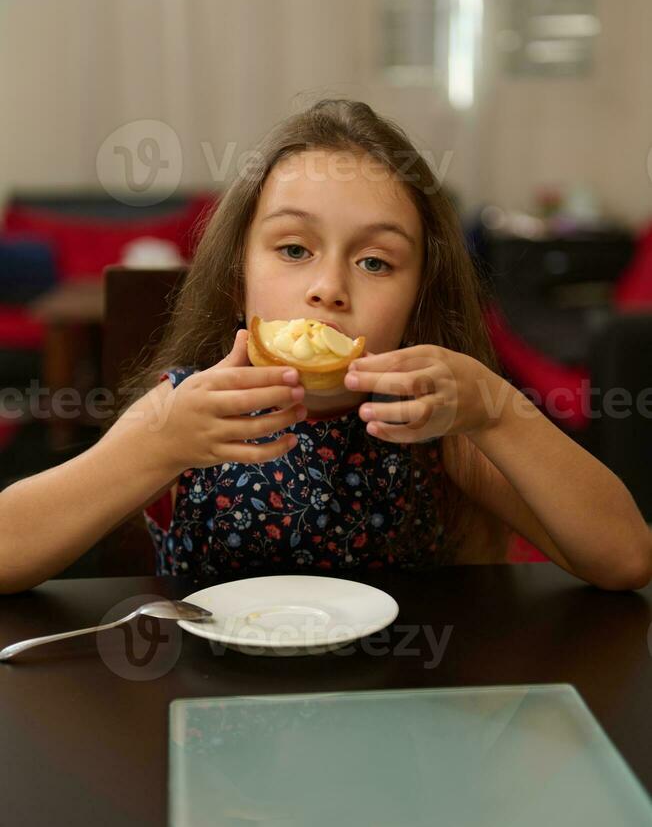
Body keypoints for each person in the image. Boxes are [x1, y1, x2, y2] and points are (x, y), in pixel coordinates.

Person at [1, 99, 650, 593]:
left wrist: (492, 402)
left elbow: (625, 558)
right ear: (238, 284)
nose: (328, 289)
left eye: (375, 262)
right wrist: (154, 448)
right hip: (216, 712)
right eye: (293, 250)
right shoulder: (185, 412)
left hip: (399, 705)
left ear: (417, 301)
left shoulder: (440, 426)